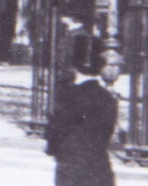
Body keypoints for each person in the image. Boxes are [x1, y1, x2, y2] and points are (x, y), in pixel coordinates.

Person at [46, 34, 117, 186]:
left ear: (73, 64)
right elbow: (107, 133)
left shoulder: (69, 96)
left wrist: (53, 149)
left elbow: (56, 131)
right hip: (100, 169)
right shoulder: (107, 98)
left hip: (71, 170)